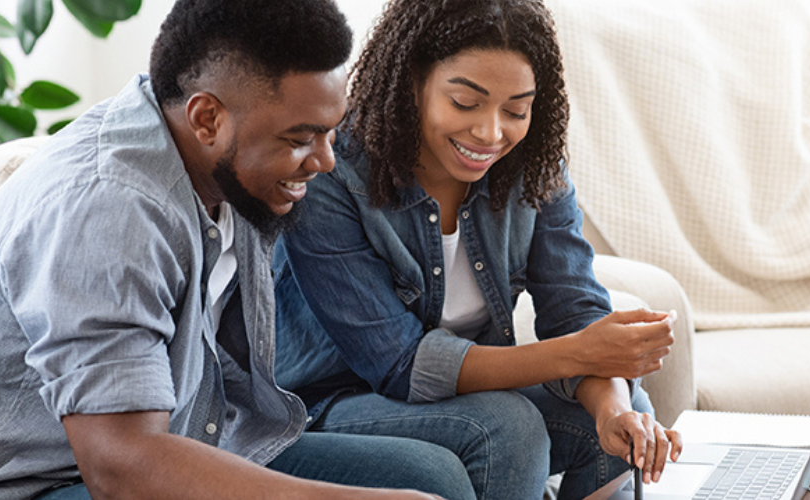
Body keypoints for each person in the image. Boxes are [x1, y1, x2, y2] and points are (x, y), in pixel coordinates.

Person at [0, 1, 475, 499]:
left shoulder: (224, 165)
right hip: (31, 479)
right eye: (299, 138)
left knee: (433, 478)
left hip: (183, 432)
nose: (325, 161)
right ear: (206, 118)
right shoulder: (110, 211)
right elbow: (121, 467)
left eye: (329, 133)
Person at [272, 0, 683, 499]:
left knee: (619, 419)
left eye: (516, 110)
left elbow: (573, 309)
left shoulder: (533, 169)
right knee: (504, 426)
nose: (491, 133)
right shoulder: (334, 168)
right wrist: (579, 352)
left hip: (458, 400)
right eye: (465, 103)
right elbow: (398, 364)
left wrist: (615, 408)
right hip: (329, 401)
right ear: (413, 82)